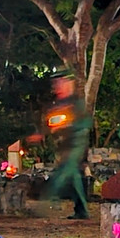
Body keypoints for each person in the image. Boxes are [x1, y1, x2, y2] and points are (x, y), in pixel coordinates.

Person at [42, 74, 91, 219]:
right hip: (64, 145)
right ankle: (81, 210)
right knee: (73, 177)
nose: (58, 86)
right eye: (56, 83)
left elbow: (85, 123)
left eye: (61, 83)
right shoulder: (57, 104)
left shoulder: (76, 103)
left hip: (76, 143)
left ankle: (46, 201)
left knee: (63, 172)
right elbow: (50, 123)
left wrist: (68, 126)